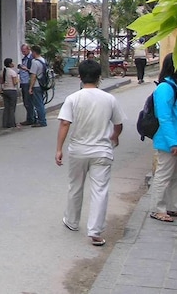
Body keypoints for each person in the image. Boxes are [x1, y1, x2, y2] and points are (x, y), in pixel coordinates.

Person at [55, 59, 125, 247]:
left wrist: (59, 149)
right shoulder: (109, 99)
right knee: (100, 190)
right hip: (102, 151)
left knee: (75, 186)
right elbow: (118, 124)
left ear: (80, 76)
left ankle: (71, 221)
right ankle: (95, 231)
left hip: (78, 150)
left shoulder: (73, 98)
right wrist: (114, 136)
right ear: (99, 77)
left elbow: (64, 123)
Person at [148, 53, 177, 223]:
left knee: (176, 176)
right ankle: (157, 209)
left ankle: (173, 206)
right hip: (169, 142)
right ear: (176, 67)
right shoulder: (165, 89)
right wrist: (173, 141)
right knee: (163, 175)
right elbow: (164, 117)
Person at [27, 45, 49, 127]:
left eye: (32, 52)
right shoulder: (43, 60)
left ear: (34, 52)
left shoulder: (35, 62)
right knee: (41, 103)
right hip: (43, 84)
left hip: (36, 85)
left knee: (38, 104)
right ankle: (42, 119)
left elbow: (33, 76)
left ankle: (42, 121)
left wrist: (30, 87)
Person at [18, 43, 36, 125]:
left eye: (24, 51)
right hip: (23, 81)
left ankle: (31, 118)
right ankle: (31, 117)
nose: (23, 52)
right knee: (26, 102)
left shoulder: (31, 59)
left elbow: (33, 71)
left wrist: (26, 69)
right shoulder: (24, 58)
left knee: (28, 102)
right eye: (22, 51)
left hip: (27, 82)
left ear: (29, 50)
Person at [0, 58, 20, 129]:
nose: (13, 63)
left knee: (6, 108)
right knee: (12, 108)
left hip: (5, 90)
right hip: (12, 90)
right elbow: (15, 83)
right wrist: (18, 80)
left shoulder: (3, 72)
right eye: (12, 62)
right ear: (9, 64)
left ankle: (5, 123)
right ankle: (11, 123)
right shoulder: (12, 72)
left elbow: (1, 82)